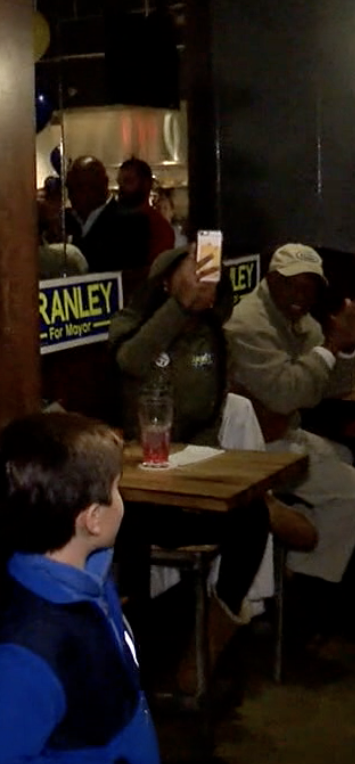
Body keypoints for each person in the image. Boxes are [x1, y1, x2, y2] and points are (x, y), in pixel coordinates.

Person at [108, 246, 273, 674]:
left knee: (252, 518)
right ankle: (133, 654)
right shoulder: (132, 324)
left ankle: (212, 636)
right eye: (192, 276)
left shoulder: (212, 335)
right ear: (166, 280)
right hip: (134, 487)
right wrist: (178, 308)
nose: (203, 286)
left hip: (188, 482)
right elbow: (131, 361)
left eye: (209, 279)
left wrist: (202, 468)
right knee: (130, 530)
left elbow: (207, 417)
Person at [0, 413, 159, 764]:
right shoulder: (26, 652)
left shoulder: (94, 583)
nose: (122, 498)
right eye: (116, 488)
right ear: (93, 519)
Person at [225, 243, 355, 585]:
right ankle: (301, 582)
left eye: (310, 287)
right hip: (247, 449)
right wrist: (328, 348)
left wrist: (345, 346)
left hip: (284, 435)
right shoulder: (249, 324)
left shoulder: (298, 319)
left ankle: (290, 574)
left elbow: (327, 388)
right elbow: (286, 395)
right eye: (292, 284)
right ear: (271, 280)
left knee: (344, 459)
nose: (302, 294)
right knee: (351, 494)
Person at [116, 157, 177, 263]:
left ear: (146, 184)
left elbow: (157, 269)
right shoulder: (110, 220)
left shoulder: (159, 228)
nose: (122, 188)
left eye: (128, 181)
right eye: (120, 183)